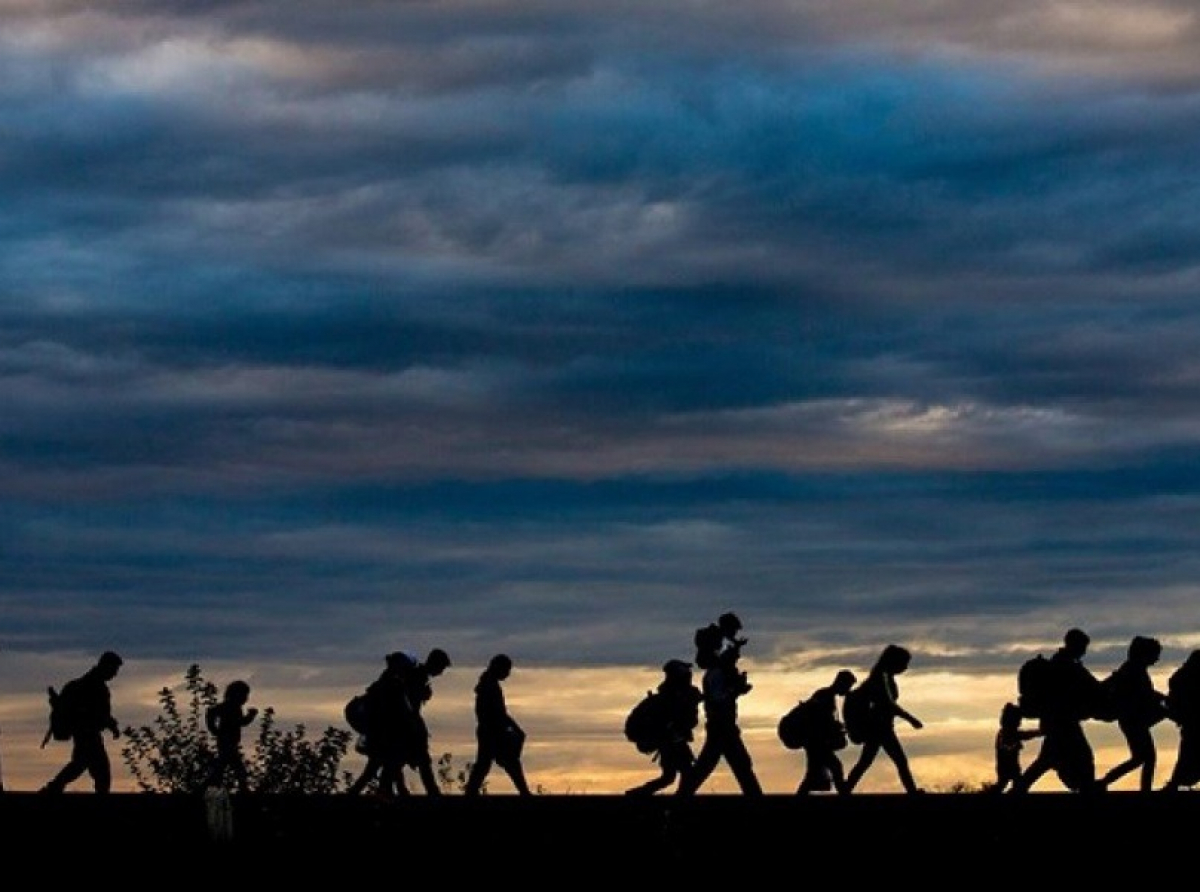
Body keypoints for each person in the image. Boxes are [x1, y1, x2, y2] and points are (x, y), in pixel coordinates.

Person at [1010, 628, 1104, 794]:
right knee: (1081, 758)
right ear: (1075, 645)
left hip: (1056, 722)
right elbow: (1092, 686)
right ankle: (1087, 789)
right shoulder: (1066, 665)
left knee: (1047, 760)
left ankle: (1019, 790)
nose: (1084, 651)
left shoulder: (1064, 663)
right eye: (1083, 647)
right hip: (1063, 722)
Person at [676, 629, 762, 796]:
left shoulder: (715, 672)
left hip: (721, 726)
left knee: (721, 766)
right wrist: (736, 690)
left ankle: (681, 799)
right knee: (738, 765)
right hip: (722, 726)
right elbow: (718, 699)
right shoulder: (716, 673)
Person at [844, 644, 924, 794]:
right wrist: (910, 719)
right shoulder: (881, 678)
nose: (905, 667)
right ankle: (912, 792)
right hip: (880, 728)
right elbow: (888, 703)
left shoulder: (882, 676)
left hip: (880, 727)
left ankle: (846, 789)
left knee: (866, 762)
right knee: (899, 761)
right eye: (903, 663)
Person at [40, 650, 124, 794]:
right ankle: (53, 788)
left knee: (81, 765)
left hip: (83, 732)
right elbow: (98, 714)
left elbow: (100, 714)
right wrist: (111, 725)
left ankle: (53, 788)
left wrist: (110, 725)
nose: (115, 674)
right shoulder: (95, 687)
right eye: (114, 669)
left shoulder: (84, 685)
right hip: (87, 733)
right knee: (99, 772)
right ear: (106, 666)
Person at [1098, 635, 1169, 792]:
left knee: (1140, 758)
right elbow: (1144, 693)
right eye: (1155, 654)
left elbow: (1146, 693)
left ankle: (1104, 782)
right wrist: (1163, 700)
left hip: (1132, 719)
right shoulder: (1133, 669)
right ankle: (1142, 789)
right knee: (1147, 757)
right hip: (1132, 719)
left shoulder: (1134, 668)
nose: (1156, 659)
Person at [625, 659, 703, 795]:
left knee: (670, 777)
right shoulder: (672, 697)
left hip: (671, 741)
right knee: (683, 774)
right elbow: (682, 720)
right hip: (671, 741)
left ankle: (638, 794)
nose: (689, 675)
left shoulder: (675, 694)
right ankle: (680, 801)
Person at [346, 651, 417, 799]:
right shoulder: (391, 685)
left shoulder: (385, 684)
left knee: (382, 767)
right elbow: (395, 712)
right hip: (383, 736)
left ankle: (390, 793)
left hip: (381, 735)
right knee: (385, 766)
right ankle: (386, 795)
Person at [464, 653, 532, 795]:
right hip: (492, 731)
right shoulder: (489, 686)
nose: (507, 674)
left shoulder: (487, 684)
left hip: (489, 730)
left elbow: (499, 712)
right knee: (509, 763)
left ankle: (470, 792)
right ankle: (524, 792)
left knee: (485, 764)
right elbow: (498, 713)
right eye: (506, 670)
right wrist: (514, 728)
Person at [400, 647, 452, 795]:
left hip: (409, 722)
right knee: (420, 759)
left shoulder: (418, 675)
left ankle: (401, 788)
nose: (441, 672)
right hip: (408, 723)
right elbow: (411, 702)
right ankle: (432, 792)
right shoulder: (418, 676)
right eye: (441, 667)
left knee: (401, 759)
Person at [796, 669, 856, 795]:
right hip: (817, 742)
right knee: (835, 767)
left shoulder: (825, 695)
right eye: (848, 686)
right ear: (841, 683)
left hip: (815, 742)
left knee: (813, 774)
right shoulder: (825, 696)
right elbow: (819, 721)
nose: (848, 690)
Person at [204, 679, 258, 794]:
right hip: (226, 741)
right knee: (237, 768)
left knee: (222, 767)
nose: (245, 698)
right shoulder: (229, 706)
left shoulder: (234, 708)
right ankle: (242, 790)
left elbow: (240, 722)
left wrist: (250, 716)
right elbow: (211, 712)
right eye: (244, 695)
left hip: (229, 741)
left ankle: (209, 787)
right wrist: (214, 729)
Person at [1161, 649, 1200, 791]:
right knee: (1188, 754)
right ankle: (1174, 784)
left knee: (1186, 754)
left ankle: (1174, 784)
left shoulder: (1181, 676)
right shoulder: (1188, 678)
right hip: (1193, 722)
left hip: (1189, 722)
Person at [992, 701, 1042, 794]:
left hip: (1011, 766)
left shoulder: (1006, 732)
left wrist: (1039, 732)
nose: (1020, 722)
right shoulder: (1005, 733)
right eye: (1018, 720)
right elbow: (1023, 735)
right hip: (1006, 766)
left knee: (1009, 784)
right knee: (1013, 784)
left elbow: (1025, 735)